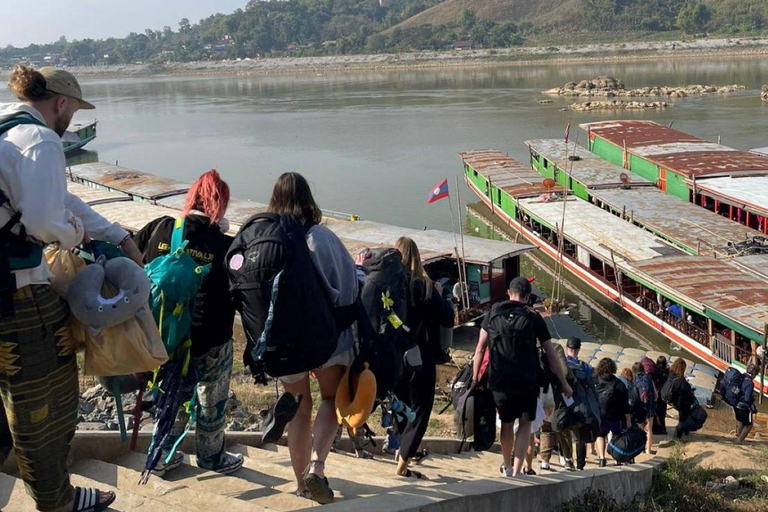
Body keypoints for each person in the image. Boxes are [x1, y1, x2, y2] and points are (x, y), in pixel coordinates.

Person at [0, 65, 143, 512]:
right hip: (18, 295)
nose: (72, 121)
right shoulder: (42, 139)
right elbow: (48, 219)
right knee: (46, 403)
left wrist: (117, 232)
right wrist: (74, 234)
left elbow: (60, 198)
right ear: (60, 103)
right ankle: (56, 501)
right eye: (74, 110)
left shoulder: (6, 126)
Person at [134, 169, 243, 476]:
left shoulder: (160, 227)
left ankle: (163, 456)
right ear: (219, 205)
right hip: (212, 336)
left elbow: (132, 261)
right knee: (211, 399)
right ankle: (212, 458)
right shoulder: (226, 245)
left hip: (164, 334)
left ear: (190, 197)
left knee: (171, 392)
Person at [268, 172, 358, 503]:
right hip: (327, 339)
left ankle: (300, 484)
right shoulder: (321, 236)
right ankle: (317, 468)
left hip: (286, 342)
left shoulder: (269, 237)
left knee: (298, 411)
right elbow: (348, 287)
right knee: (330, 401)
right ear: (308, 199)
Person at [472, 276, 572, 477]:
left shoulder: (492, 313)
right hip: (527, 382)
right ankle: (518, 472)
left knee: (507, 424)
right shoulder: (533, 317)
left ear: (509, 293)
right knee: (525, 425)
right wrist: (563, 382)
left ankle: (507, 467)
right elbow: (551, 354)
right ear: (527, 297)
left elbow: (480, 349)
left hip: (499, 381)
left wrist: (475, 379)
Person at [393, 236, 454, 479]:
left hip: (394, 357)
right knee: (420, 410)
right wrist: (439, 294)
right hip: (420, 357)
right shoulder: (423, 286)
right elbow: (447, 317)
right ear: (417, 258)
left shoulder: (389, 286)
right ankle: (402, 466)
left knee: (399, 406)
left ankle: (401, 454)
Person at [595, 358, 631, 467]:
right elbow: (625, 404)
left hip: (601, 415)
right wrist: (628, 420)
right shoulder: (619, 383)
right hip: (616, 416)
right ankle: (617, 459)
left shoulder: (596, 380)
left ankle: (602, 458)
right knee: (617, 437)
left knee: (600, 436)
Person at [564, 337, 592, 470]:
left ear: (566, 348)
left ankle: (567, 459)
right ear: (579, 349)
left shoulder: (562, 364)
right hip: (580, 404)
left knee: (564, 432)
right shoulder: (585, 367)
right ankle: (580, 465)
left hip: (564, 403)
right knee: (580, 438)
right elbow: (591, 386)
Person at [665, 359, 696, 439]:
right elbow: (687, 392)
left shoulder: (671, 375)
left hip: (674, 400)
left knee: (682, 418)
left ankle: (683, 433)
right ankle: (679, 436)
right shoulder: (682, 382)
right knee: (683, 419)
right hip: (682, 403)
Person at [631, 362, 656, 454]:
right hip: (649, 407)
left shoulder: (634, 379)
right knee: (649, 429)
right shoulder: (649, 378)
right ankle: (648, 450)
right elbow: (656, 395)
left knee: (638, 428)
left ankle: (639, 448)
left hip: (638, 407)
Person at [735, 363, 759, 443]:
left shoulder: (741, 377)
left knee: (740, 421)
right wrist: (752, 405)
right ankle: (740, 440)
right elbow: (747, 398)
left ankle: (738, 437)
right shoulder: (750, 383)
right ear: (753, 374)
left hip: (736, 403)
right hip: (744, 406)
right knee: (749, 425)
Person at [652, 356, 669, 435]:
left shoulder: (655, 371)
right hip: (663, 394)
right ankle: (663, 428)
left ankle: (656, 428)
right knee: (662, 413)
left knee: (656, 412)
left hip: (656, 393)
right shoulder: (667, 372)